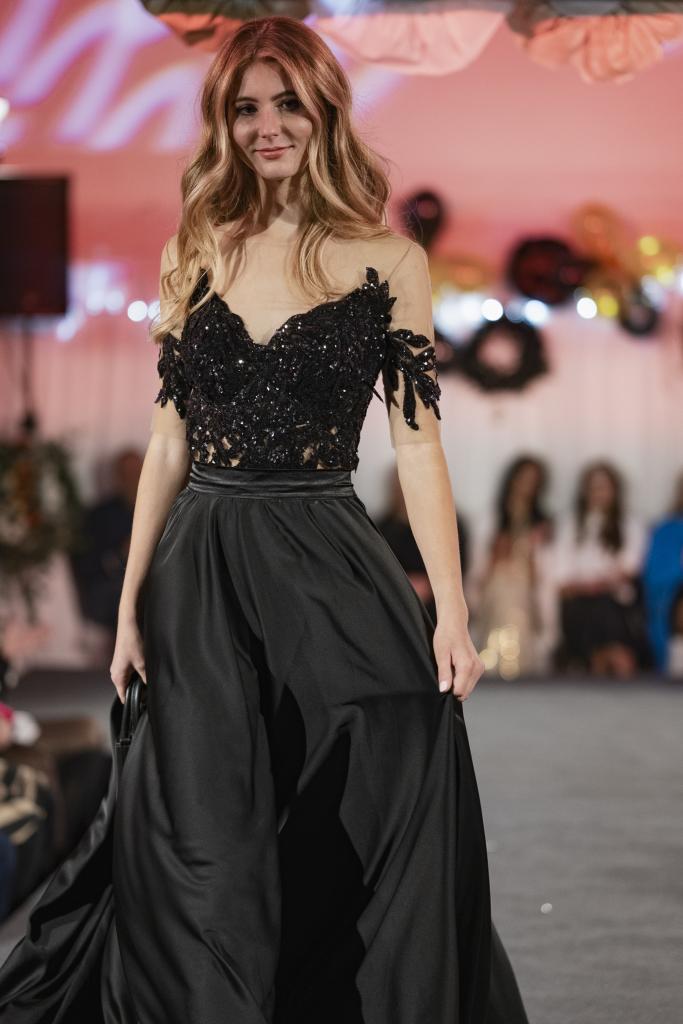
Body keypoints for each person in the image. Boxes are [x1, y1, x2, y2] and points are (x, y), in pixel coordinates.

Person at [0, 16, 529, 1023]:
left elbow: (417, 446)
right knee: (203, 833)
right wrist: (127, 609)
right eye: (245, 108)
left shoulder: (388, 261)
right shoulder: (194, 249)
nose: (266, 125)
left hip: (328, 562)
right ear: (223, 124)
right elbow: (166, 445)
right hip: (201, 570)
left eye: (287, 102)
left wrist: (452, 614)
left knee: (367, 790)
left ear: (324, 109)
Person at [553, 460, 650, 676]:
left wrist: (598, 584)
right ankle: (605, 659)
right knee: (591, 608)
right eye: (594, 487)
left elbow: (631, 569)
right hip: (579, 602)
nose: (599, 493)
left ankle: (604, 659)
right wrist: (590, 586)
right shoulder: (570, 525)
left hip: (617, 604)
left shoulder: (629, 524)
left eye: (604, 487)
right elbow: (561, 577)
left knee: (605, 607)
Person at [466, 455, 555, 679]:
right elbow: (478, 571)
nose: (526, 487)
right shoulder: (491, 520)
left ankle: (515, 663)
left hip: (528, 586)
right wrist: (496, 555)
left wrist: (531, 554)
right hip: (495, 583)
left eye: (532, 482)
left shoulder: (543, 526)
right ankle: (499, 661)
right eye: (522, 479)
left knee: (516, 597)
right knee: (504, 592)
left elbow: (547, 574)